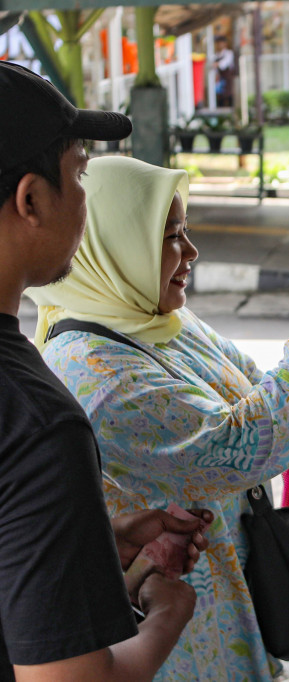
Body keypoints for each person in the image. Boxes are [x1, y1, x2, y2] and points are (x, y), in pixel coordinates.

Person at [26, 154, 289, 681]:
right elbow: (237, 446)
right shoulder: (93, 371)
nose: (191, 252)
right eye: (170, 236)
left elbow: (258, 392)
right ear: (113, 247)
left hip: (232, 589)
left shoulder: (157, 320)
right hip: (180, 623)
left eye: (184, 230)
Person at [0, 61, 210, 681]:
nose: (85, 198)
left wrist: (92, 547)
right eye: (79, 173)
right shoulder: (37, 422)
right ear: (31, 200)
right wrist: (167, 614)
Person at [213, 35, 235, 108]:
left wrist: (217, 64)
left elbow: (224, 64)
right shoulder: (216, 55)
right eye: (218, 43)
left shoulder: (229, 53)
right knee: (220, 99)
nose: (219, 45)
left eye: (220, 43)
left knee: (229, 97)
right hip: (220, 80)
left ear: (225, 43)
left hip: (228, 80)